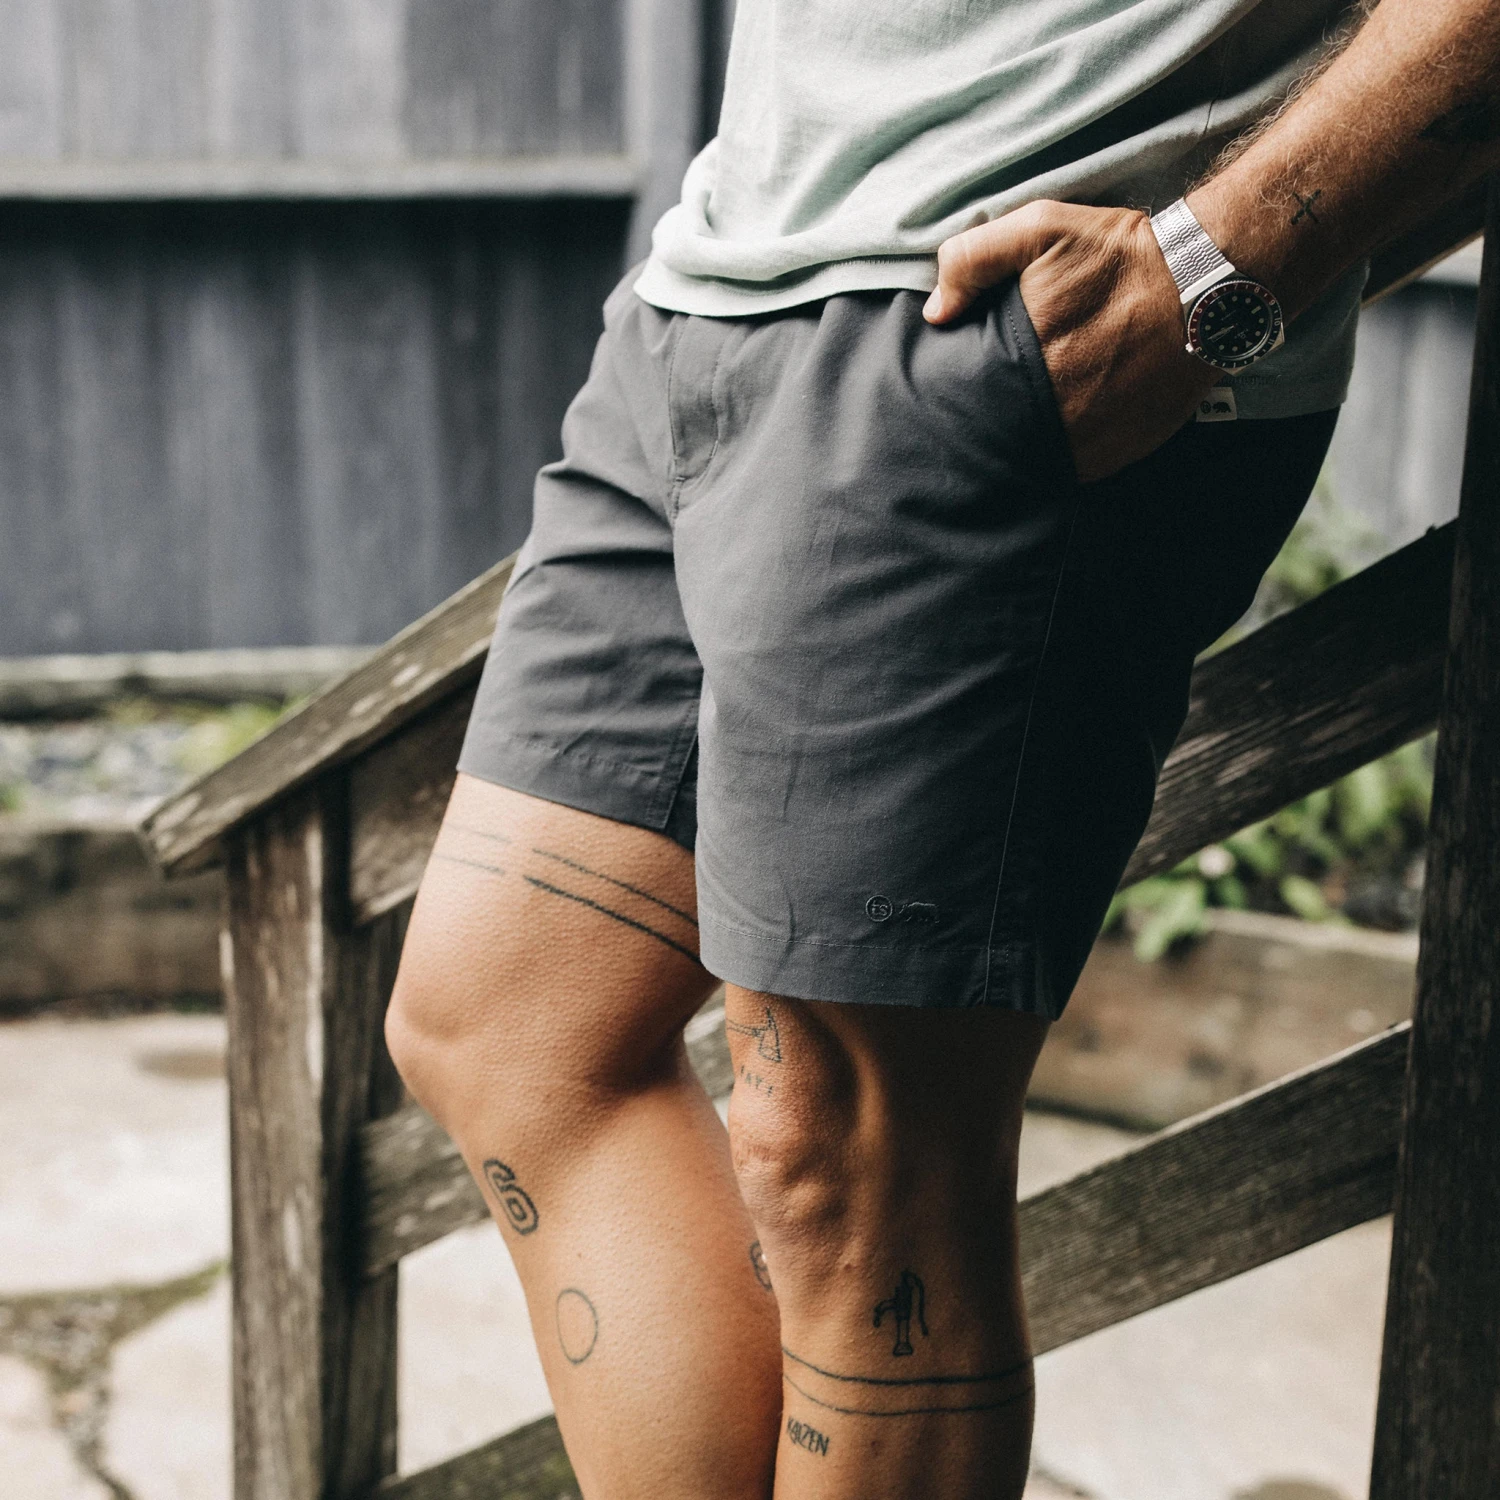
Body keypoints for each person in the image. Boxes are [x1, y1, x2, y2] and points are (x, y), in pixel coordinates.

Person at [385, 2, 1500, 1495]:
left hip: (991, 320)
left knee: (852, 1172)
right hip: (715, 287)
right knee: (504, 1019)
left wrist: (1218, 268)